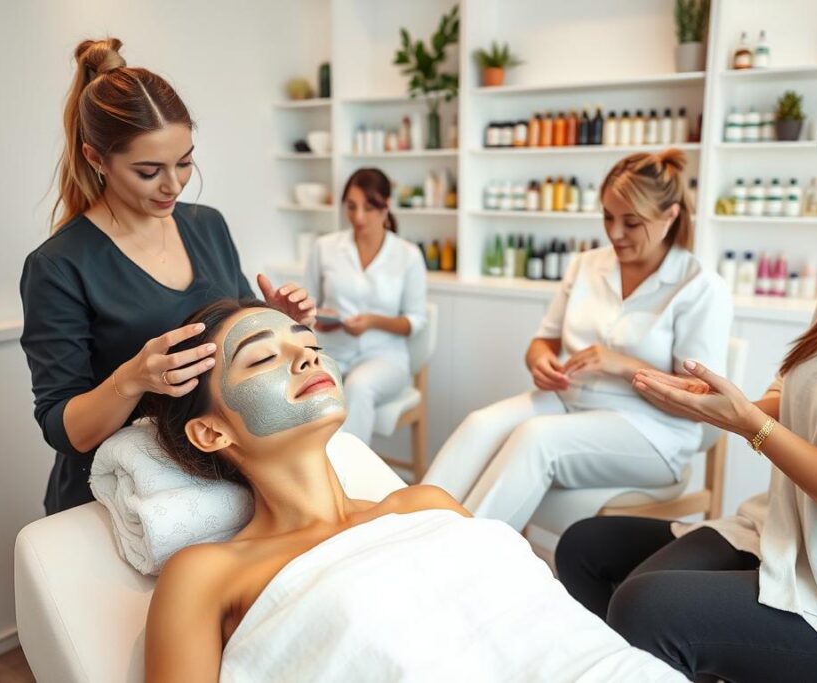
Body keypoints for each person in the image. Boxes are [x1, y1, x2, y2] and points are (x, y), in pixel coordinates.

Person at [556, 54, 817, 683]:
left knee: (645, 609)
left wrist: (750, 425)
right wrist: (720, 403)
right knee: (585, 547)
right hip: (788, 528)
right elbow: (797, 385)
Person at [139, 299, 682, 683]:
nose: (307, 358)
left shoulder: (425, 503)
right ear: (211, 432)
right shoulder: (208, 574)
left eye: (308, 344)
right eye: (262, 358)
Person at [19, 38, 316, 515]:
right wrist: (132, 379)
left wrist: (274, 321)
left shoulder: (208, 225)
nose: (173, 184)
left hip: (212, 482)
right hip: (116, 500)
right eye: (148, 171)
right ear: (95, 158)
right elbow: (65, 429)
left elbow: (235, 346)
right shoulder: (58, 265)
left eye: (184, 162)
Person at [423, 150, 732, 531]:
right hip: (569, 400)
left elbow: (703, 401)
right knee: (479, 426)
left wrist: (624, 366)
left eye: (631, 223)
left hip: (652, 429)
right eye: (608, 217)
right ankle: (404, 531)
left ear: (670, 216)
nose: (614, 233)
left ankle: (456, 555)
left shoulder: (701, 287)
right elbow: (542, 342)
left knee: (537, 440)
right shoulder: (586, 265)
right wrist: (539, 363)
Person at [304, 168, 427, 444]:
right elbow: (306, 305)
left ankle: (348, 468)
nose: (358, 217)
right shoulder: (324, 247)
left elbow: (416, 321)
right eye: (351, 207)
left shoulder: (408, 255)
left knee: (359, 385)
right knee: (301, 386)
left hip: (384, 357)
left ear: (386, 206)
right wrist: (319, 319)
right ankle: (309, 464)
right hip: (332, 351)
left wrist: (373, 322)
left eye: (368, 208)